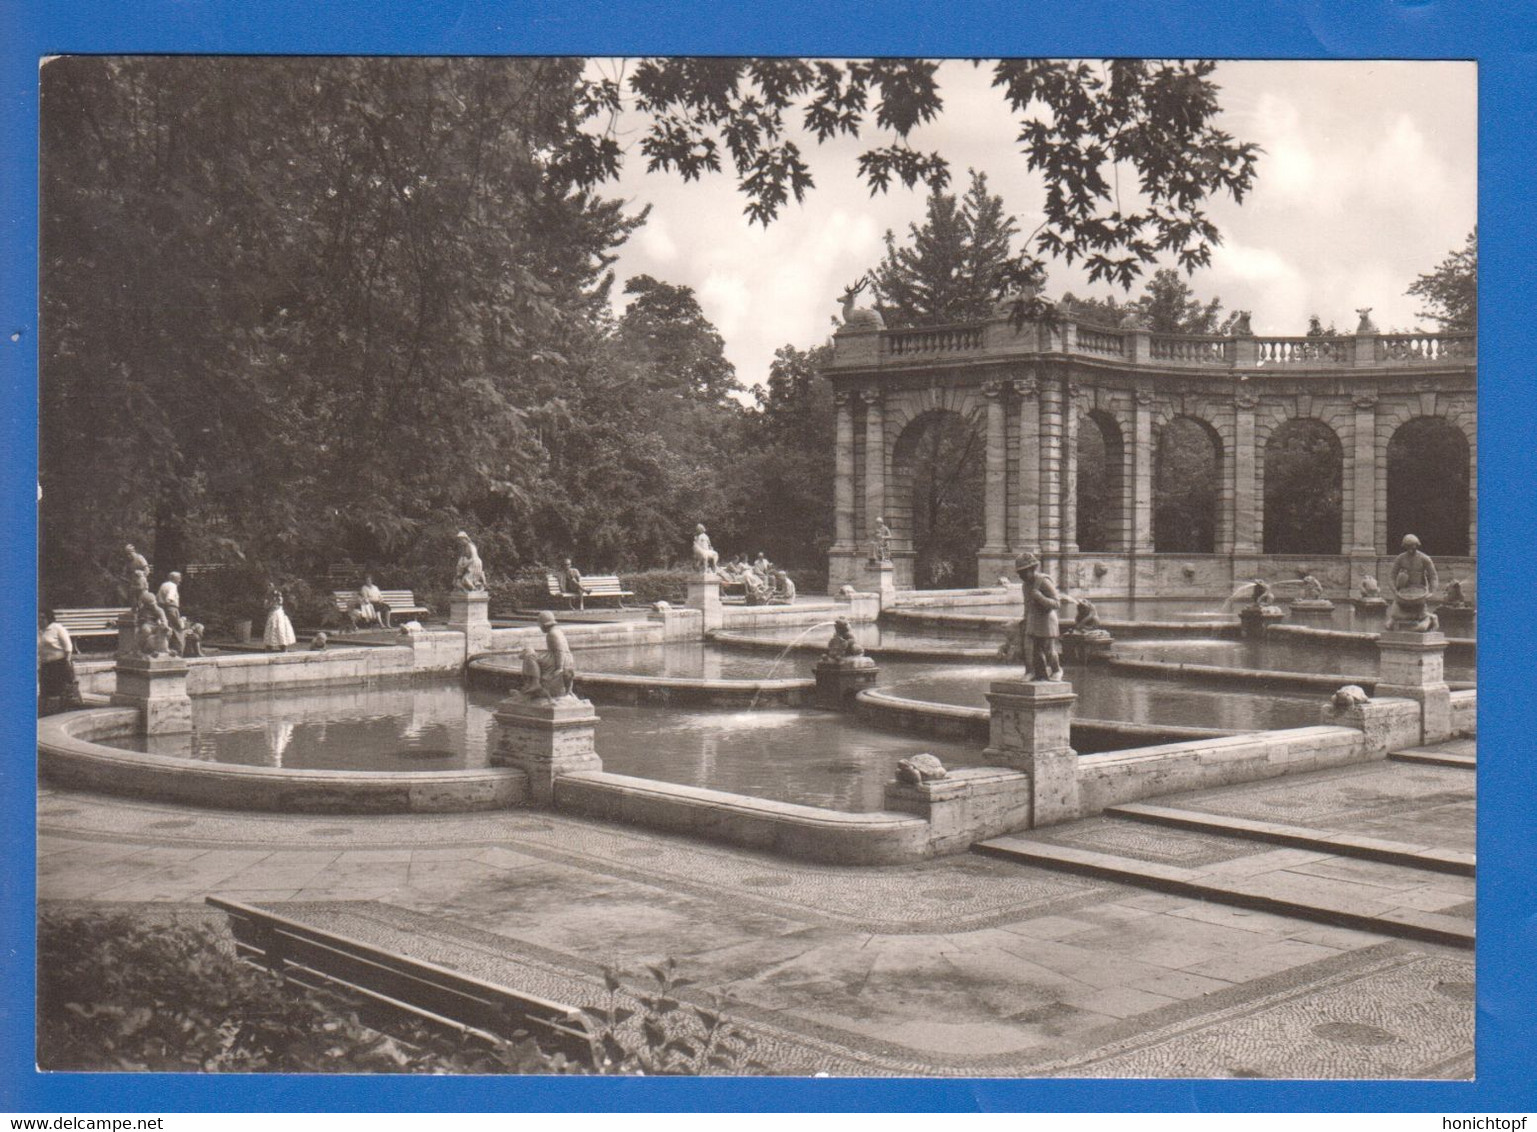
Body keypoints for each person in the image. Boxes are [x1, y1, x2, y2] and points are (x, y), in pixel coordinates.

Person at [1015, 552, 1063, 682]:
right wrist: (1024, 619)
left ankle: (1057, 670)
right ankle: (1031, 672)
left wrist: (1040, 597)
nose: (1021, 576)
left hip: (1046, 620)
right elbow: (1027, 605)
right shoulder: (1025, 585)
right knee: (1029, 648)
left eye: (1023, 572)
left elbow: (1057, 603)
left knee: (1049, 649)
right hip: (1032, 619)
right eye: (1019, 573)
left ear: (1031, 569)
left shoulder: (1043, 581)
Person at [38, 609, 80, 714]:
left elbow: (68, 647)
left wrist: (66, 663)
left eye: (43, 617)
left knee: (60, 690)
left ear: (49, 618)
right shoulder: (38, 630)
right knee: (45, 691)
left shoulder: (57, 628)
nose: (40, 620)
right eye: (38, 617)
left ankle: (60, 712)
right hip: (45, 665)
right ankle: (47, 713)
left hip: (59, 664)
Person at [157, 571, 185, 653]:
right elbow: (169, 599)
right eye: (179, 579)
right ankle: (179, 652)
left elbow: (158, 598)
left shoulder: (164, 584)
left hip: (162, 609)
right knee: (177, 629)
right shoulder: (173, 586)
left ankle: (166, 650)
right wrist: (172, 610)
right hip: (171, 609)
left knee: (167, 629)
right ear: (174, 579)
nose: (180, 580)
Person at [263, 588, 296, 653]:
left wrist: (277, 597)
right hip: (272, 614)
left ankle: (283, 647)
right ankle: (269, 647)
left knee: (281, 630)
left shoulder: (279, 598)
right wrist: (271, 600)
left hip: (279, 614)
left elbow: (280, 603)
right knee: (271, 630)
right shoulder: (268, 599)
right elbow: (266, 607)